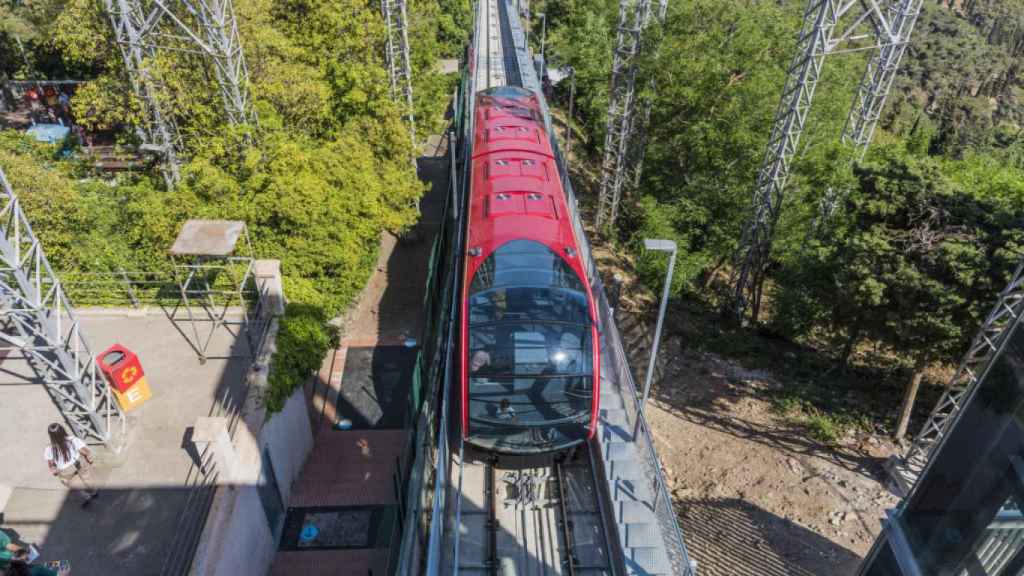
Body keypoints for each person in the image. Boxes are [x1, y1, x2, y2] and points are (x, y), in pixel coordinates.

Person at [44, 424, 98, 507]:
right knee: (87, 477)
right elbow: (85, 451)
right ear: (63, 430)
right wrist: (89, 459)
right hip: (78, 462)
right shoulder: (72, 440)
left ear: (50, 436)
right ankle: (93, 491)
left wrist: (54, 472)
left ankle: (86, 497)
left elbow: (51, 463)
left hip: (65, 470)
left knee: (74, 485)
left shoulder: (49, 448)